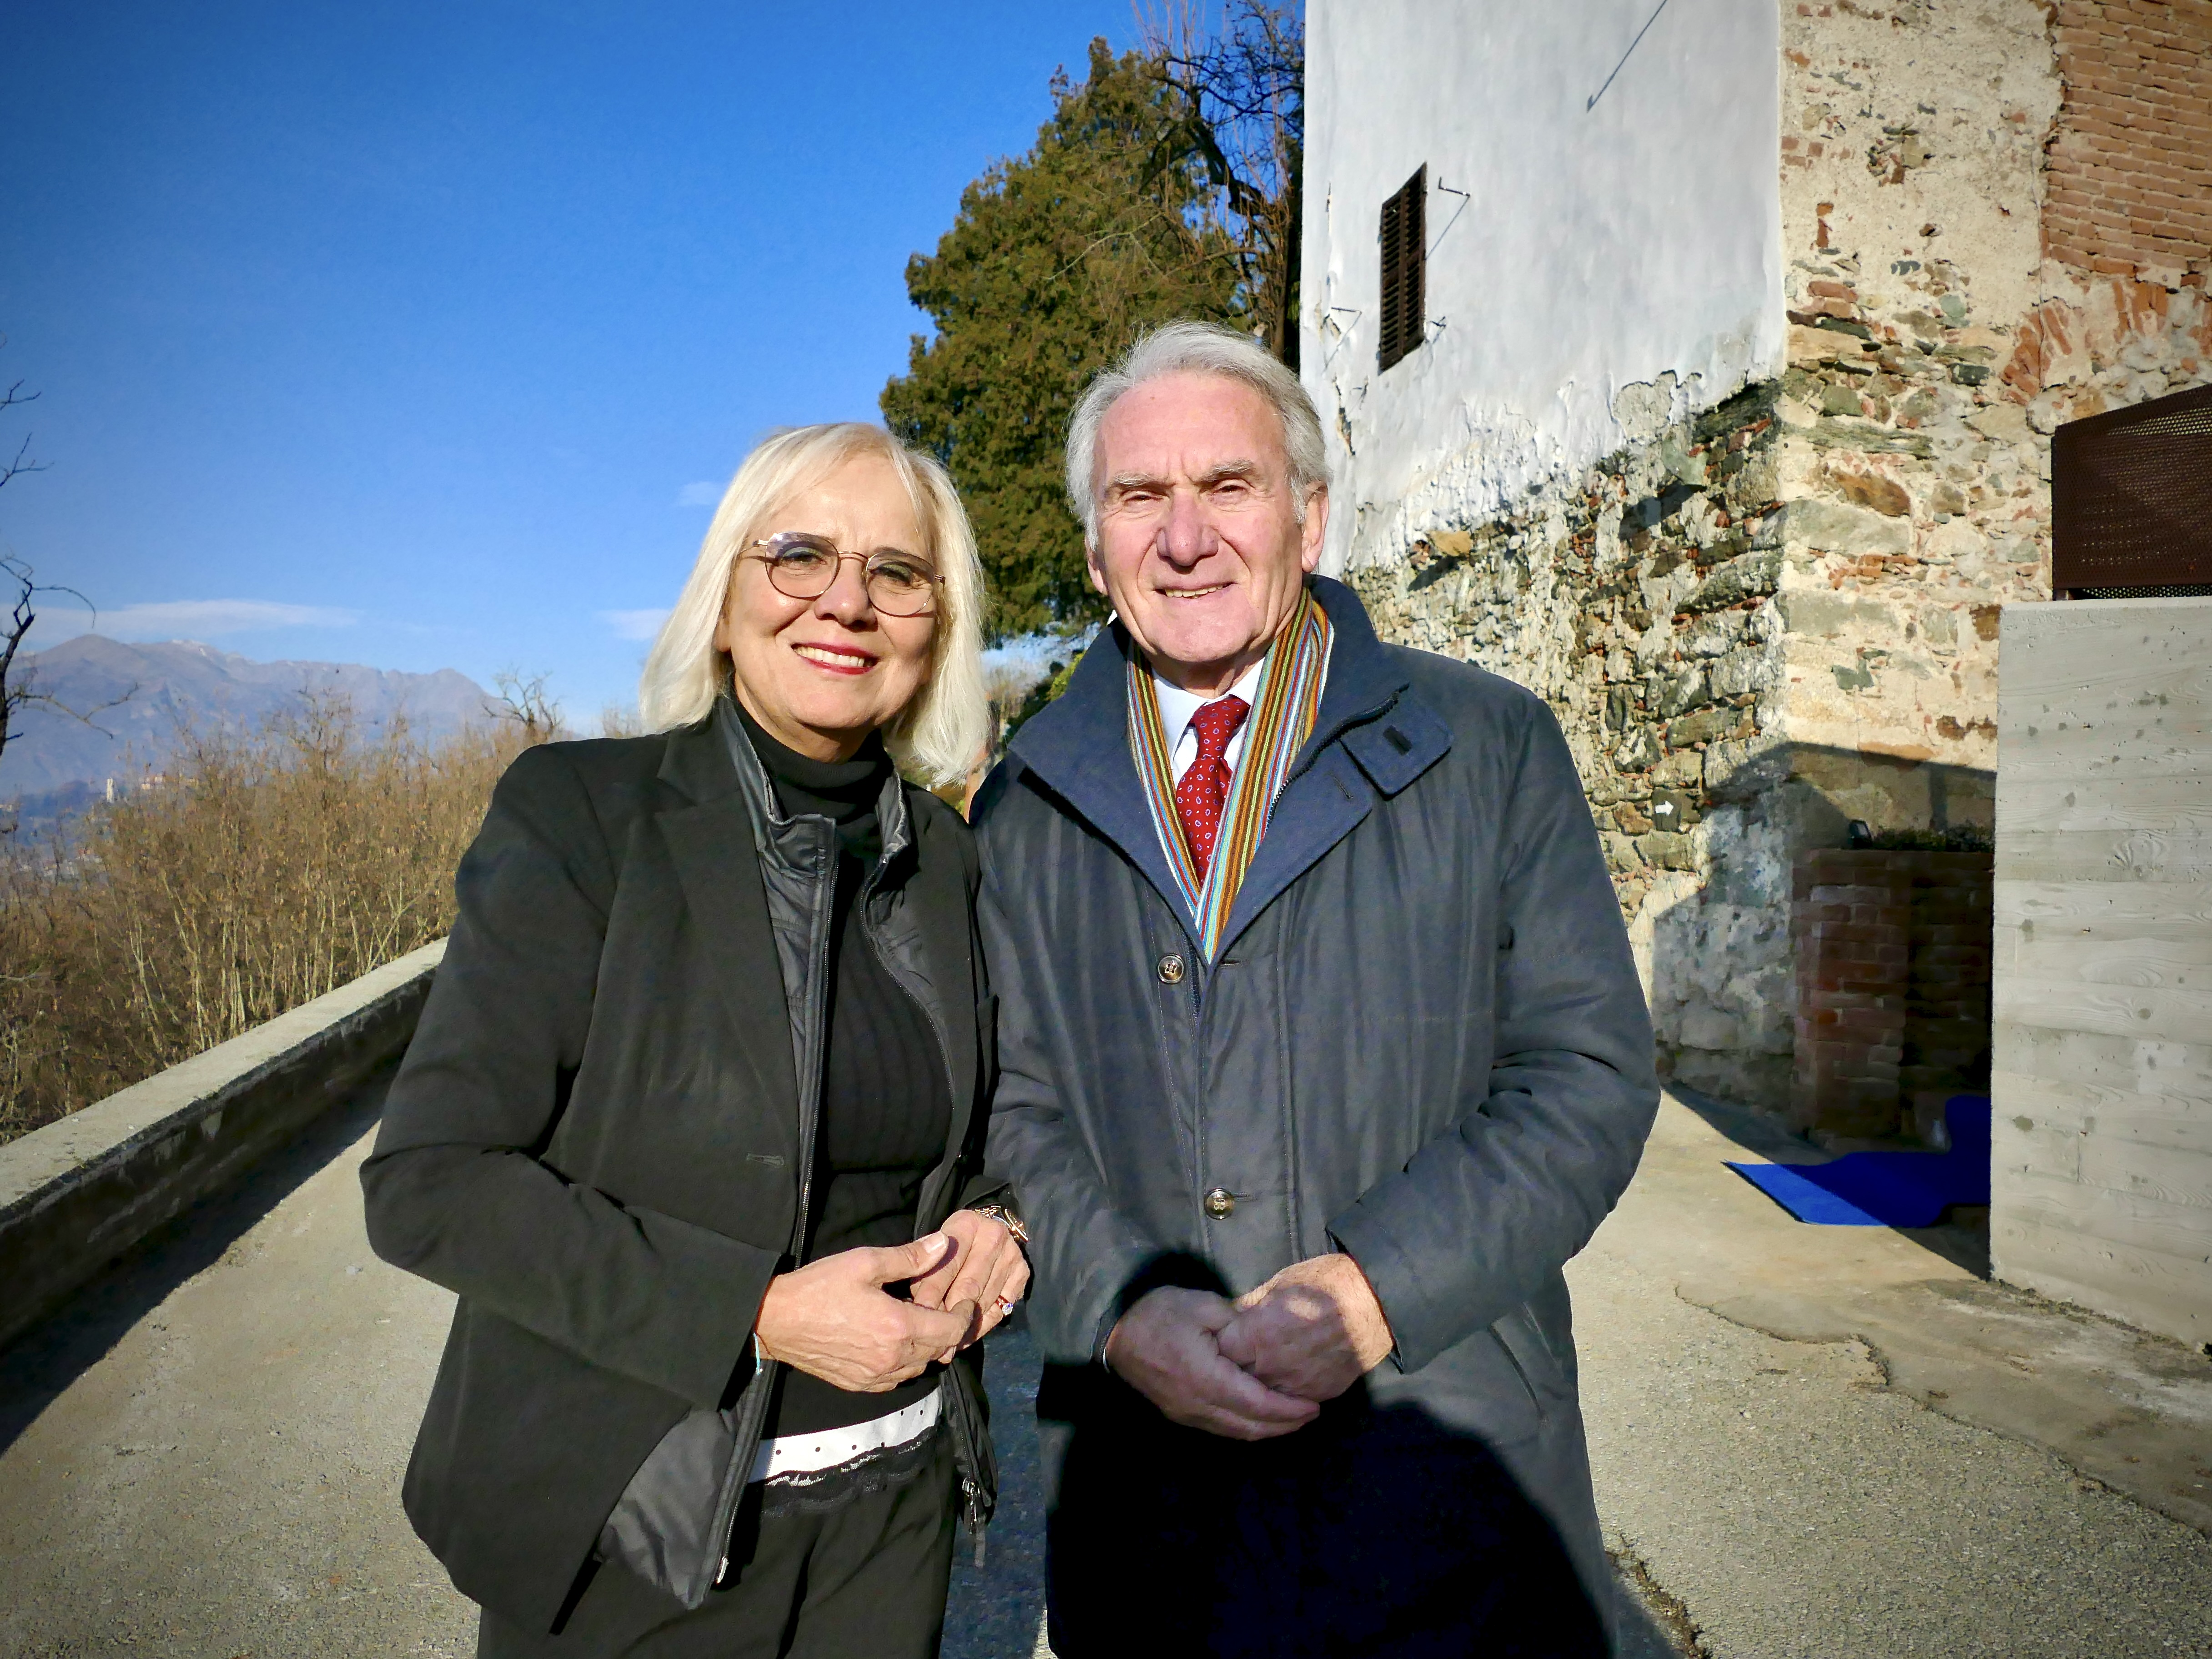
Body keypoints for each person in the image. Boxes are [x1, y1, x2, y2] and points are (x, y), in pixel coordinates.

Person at [971, 323, 1660, 1657]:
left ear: (1311, 514)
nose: (1186, 538)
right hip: (1148, 1511)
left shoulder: (1489, 746)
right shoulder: (1023, 803)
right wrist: (1117, 1307)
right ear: (1097, 550)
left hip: (1440, 1478)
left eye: (1228, 486)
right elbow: (1009, 1104)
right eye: (1139, 497)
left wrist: (1377, 1289)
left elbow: (1584, 1076)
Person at [362, 422, 1028, 1658]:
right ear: (725, 600)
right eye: (800, 555)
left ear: (938, 627)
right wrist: (754, 1314)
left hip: (894, 1521)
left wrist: (1003, 1222)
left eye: (896, 571)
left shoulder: (945, 856)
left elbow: (981, 1131)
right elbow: (429, 1183)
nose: (847, 602)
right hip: (643, 1528)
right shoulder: (584, 818)